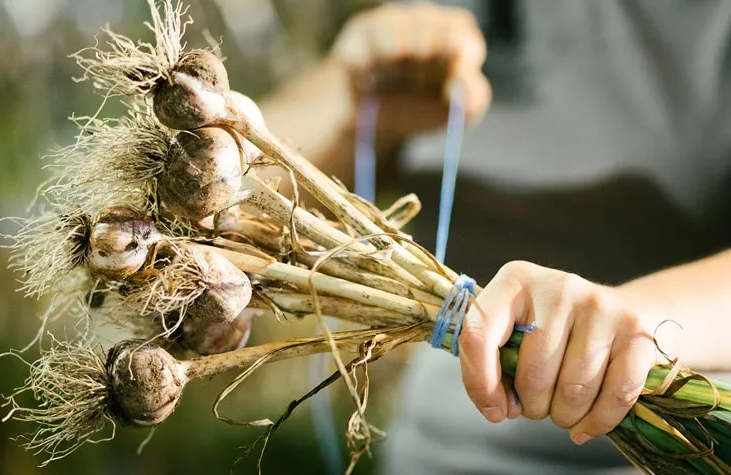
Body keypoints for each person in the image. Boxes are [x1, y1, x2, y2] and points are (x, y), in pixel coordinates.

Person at [258, 1, 731, 473]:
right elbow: (232, 178)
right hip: (433, 453)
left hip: (665, 453)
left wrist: (629, 327)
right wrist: (351, 106)